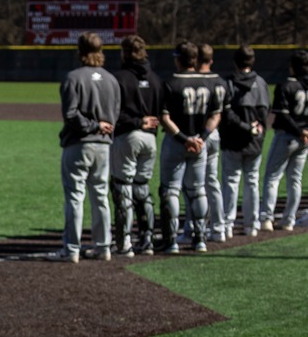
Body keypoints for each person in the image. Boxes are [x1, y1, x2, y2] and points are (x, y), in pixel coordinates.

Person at [54, 32, 119, 262]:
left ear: (79, 51)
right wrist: (102, 126)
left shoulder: (73, 78)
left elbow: (70, 114)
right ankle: (103, 247)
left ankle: (72, 249)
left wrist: (92, 125)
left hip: (78, 144)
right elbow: (115, 116)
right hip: (103, 145)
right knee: (100, 196)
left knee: (75, 196)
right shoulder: (111, 79)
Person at [157, 41, 225, 251]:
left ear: (178, 59)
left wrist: (183, 138)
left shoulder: (170, 83)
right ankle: (200, 239)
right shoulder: (207, 84)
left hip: (178, 142)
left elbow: (165, 118)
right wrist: (201, 137)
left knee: (171, 191)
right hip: (199, 143)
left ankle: (171, 241)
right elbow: (216, 115)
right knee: (198, 191)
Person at [109, 36, 162, 256]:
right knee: (142, 188)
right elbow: (159, 113)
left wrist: (135, 122)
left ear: (125, 53)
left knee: (122, 189)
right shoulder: (156, 79)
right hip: (150, 139)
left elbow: (115, 114)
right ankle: (147, 240)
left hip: (128, 136)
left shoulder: (119, 78)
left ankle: (124, 243)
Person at [260, 50, 308, 231]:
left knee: (272, 177)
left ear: (292, 66)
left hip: (288, 136)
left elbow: (283, 116)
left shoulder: (286, 86)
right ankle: (289, 220)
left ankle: (267, 218)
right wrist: (305, 131)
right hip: (305, 137)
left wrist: (298, 131)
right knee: (295, 179)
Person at [218, 46, 269, 238]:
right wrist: (256, 130)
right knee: (252, 183)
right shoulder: (261, 83)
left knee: (231, 183)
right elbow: (264, 112)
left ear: (236, 62)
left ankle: (227, 224)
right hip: (254, 141)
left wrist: (244, 126)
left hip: (233, 139)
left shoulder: (229, 83)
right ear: (252, 61)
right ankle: (251, 225)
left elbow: (227, 113)